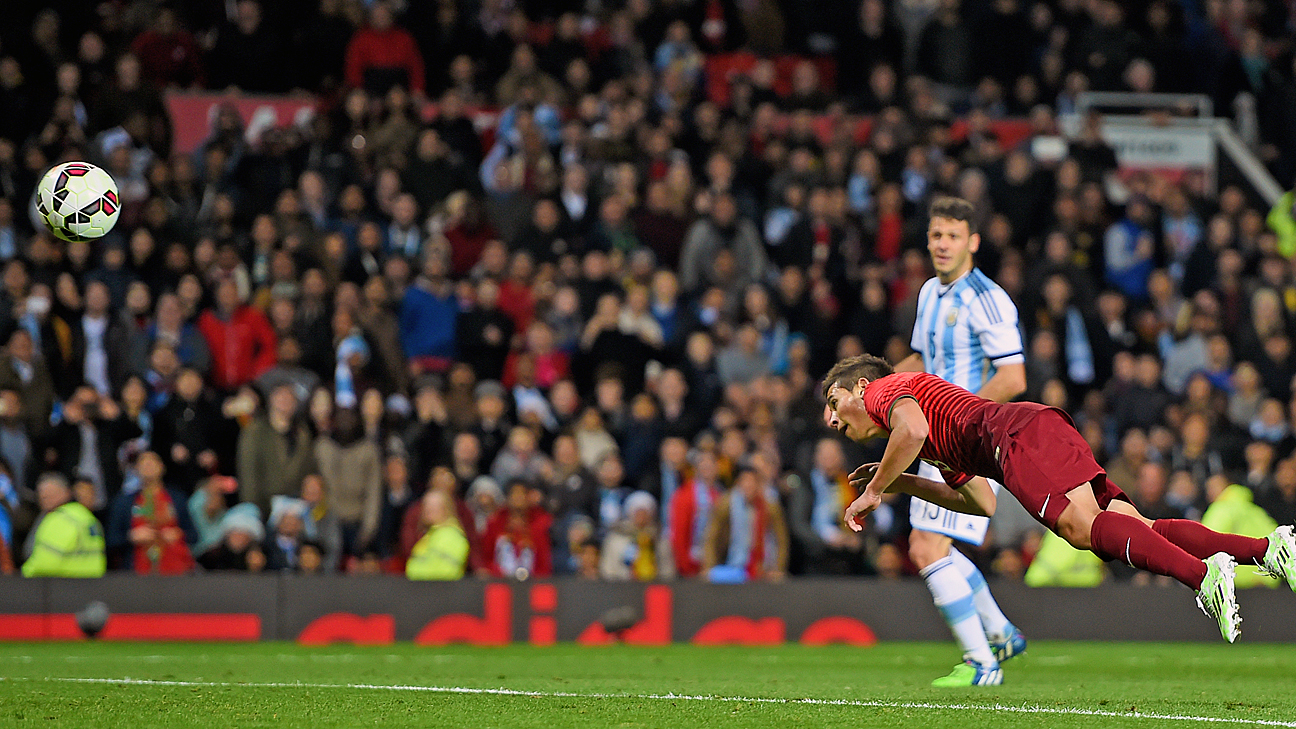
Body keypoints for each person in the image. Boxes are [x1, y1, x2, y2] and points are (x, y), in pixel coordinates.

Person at [821, 354, 1296, 652]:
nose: (830, 417)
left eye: (833, 399)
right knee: (1130, 524)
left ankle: (1202, 576)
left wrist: (873, 491)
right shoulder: (930, 431)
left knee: (1083, 531)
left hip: (1016, 439)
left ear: (861, 388)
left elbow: (911, 429)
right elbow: (977, 502)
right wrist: (903, 484)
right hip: (1031, 430)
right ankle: (1267, 550)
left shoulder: (887, 390)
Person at [890, 196, 1028, 686]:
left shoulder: (987, 298)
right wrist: (874, 388)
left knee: (927, 548)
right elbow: (922, 362)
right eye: (936, 236)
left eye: (952, 236)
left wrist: (964, 423)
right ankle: (1001, 634)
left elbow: (1012, 377)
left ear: (972, 242)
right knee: (932, 546)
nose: (943, 245)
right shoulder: (930, 293)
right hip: (933, 437)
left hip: (961, 440)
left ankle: (982, 663)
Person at [21, 473, 106, 577]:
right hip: (92, 582)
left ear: (66, 493)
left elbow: (46, 561)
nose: (44, 499)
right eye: (42, 496)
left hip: (63, 583)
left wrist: (25, 575)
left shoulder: (60, 519)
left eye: (49, 495)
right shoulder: (85, 516)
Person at [406, 490, 470, 580]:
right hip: (426, 589)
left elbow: (445, 572)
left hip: (439, 591)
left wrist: (414, 574)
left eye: (433, 506)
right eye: (426, 505)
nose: (428, 510)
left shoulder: (450, 536)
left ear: (446, 509)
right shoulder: (432, 534)